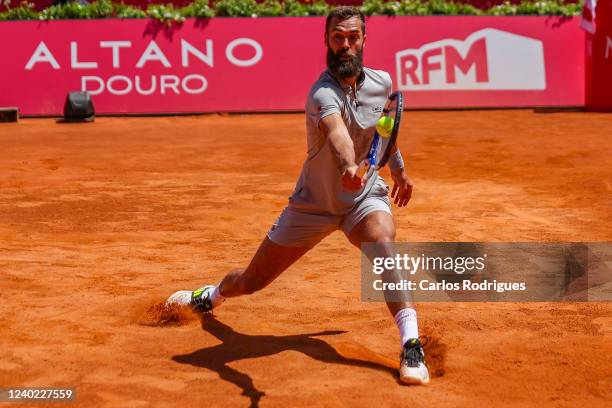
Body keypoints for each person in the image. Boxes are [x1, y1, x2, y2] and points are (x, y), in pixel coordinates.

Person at [167, 6, 429, 385]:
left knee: (383, 245)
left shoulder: (382, 83)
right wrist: (346, 167)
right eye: (337, 37)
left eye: (352, 37)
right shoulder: (321, 93)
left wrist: (399, 170)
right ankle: (211, 295)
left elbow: (382, 132)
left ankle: (410, 343)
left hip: (363, 199)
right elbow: (338, 134)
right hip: (314, 206)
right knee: (251, 282)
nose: (345, 45)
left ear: (364, 40)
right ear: (326, 41)